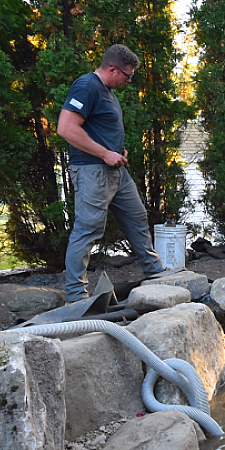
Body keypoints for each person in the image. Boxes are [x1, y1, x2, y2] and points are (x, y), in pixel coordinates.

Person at [58, 43, 167, 299]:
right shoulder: (87, 87)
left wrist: (116, 150)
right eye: (128, 75)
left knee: (137, 217)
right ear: (113, 69)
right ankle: (75, 295)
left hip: (116, 171)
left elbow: (98, 129)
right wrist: (104, 153)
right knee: (88, 229)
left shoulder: (106, 91)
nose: (130, 81)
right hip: (92, 172)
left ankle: (155, 272)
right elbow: (66, 128)